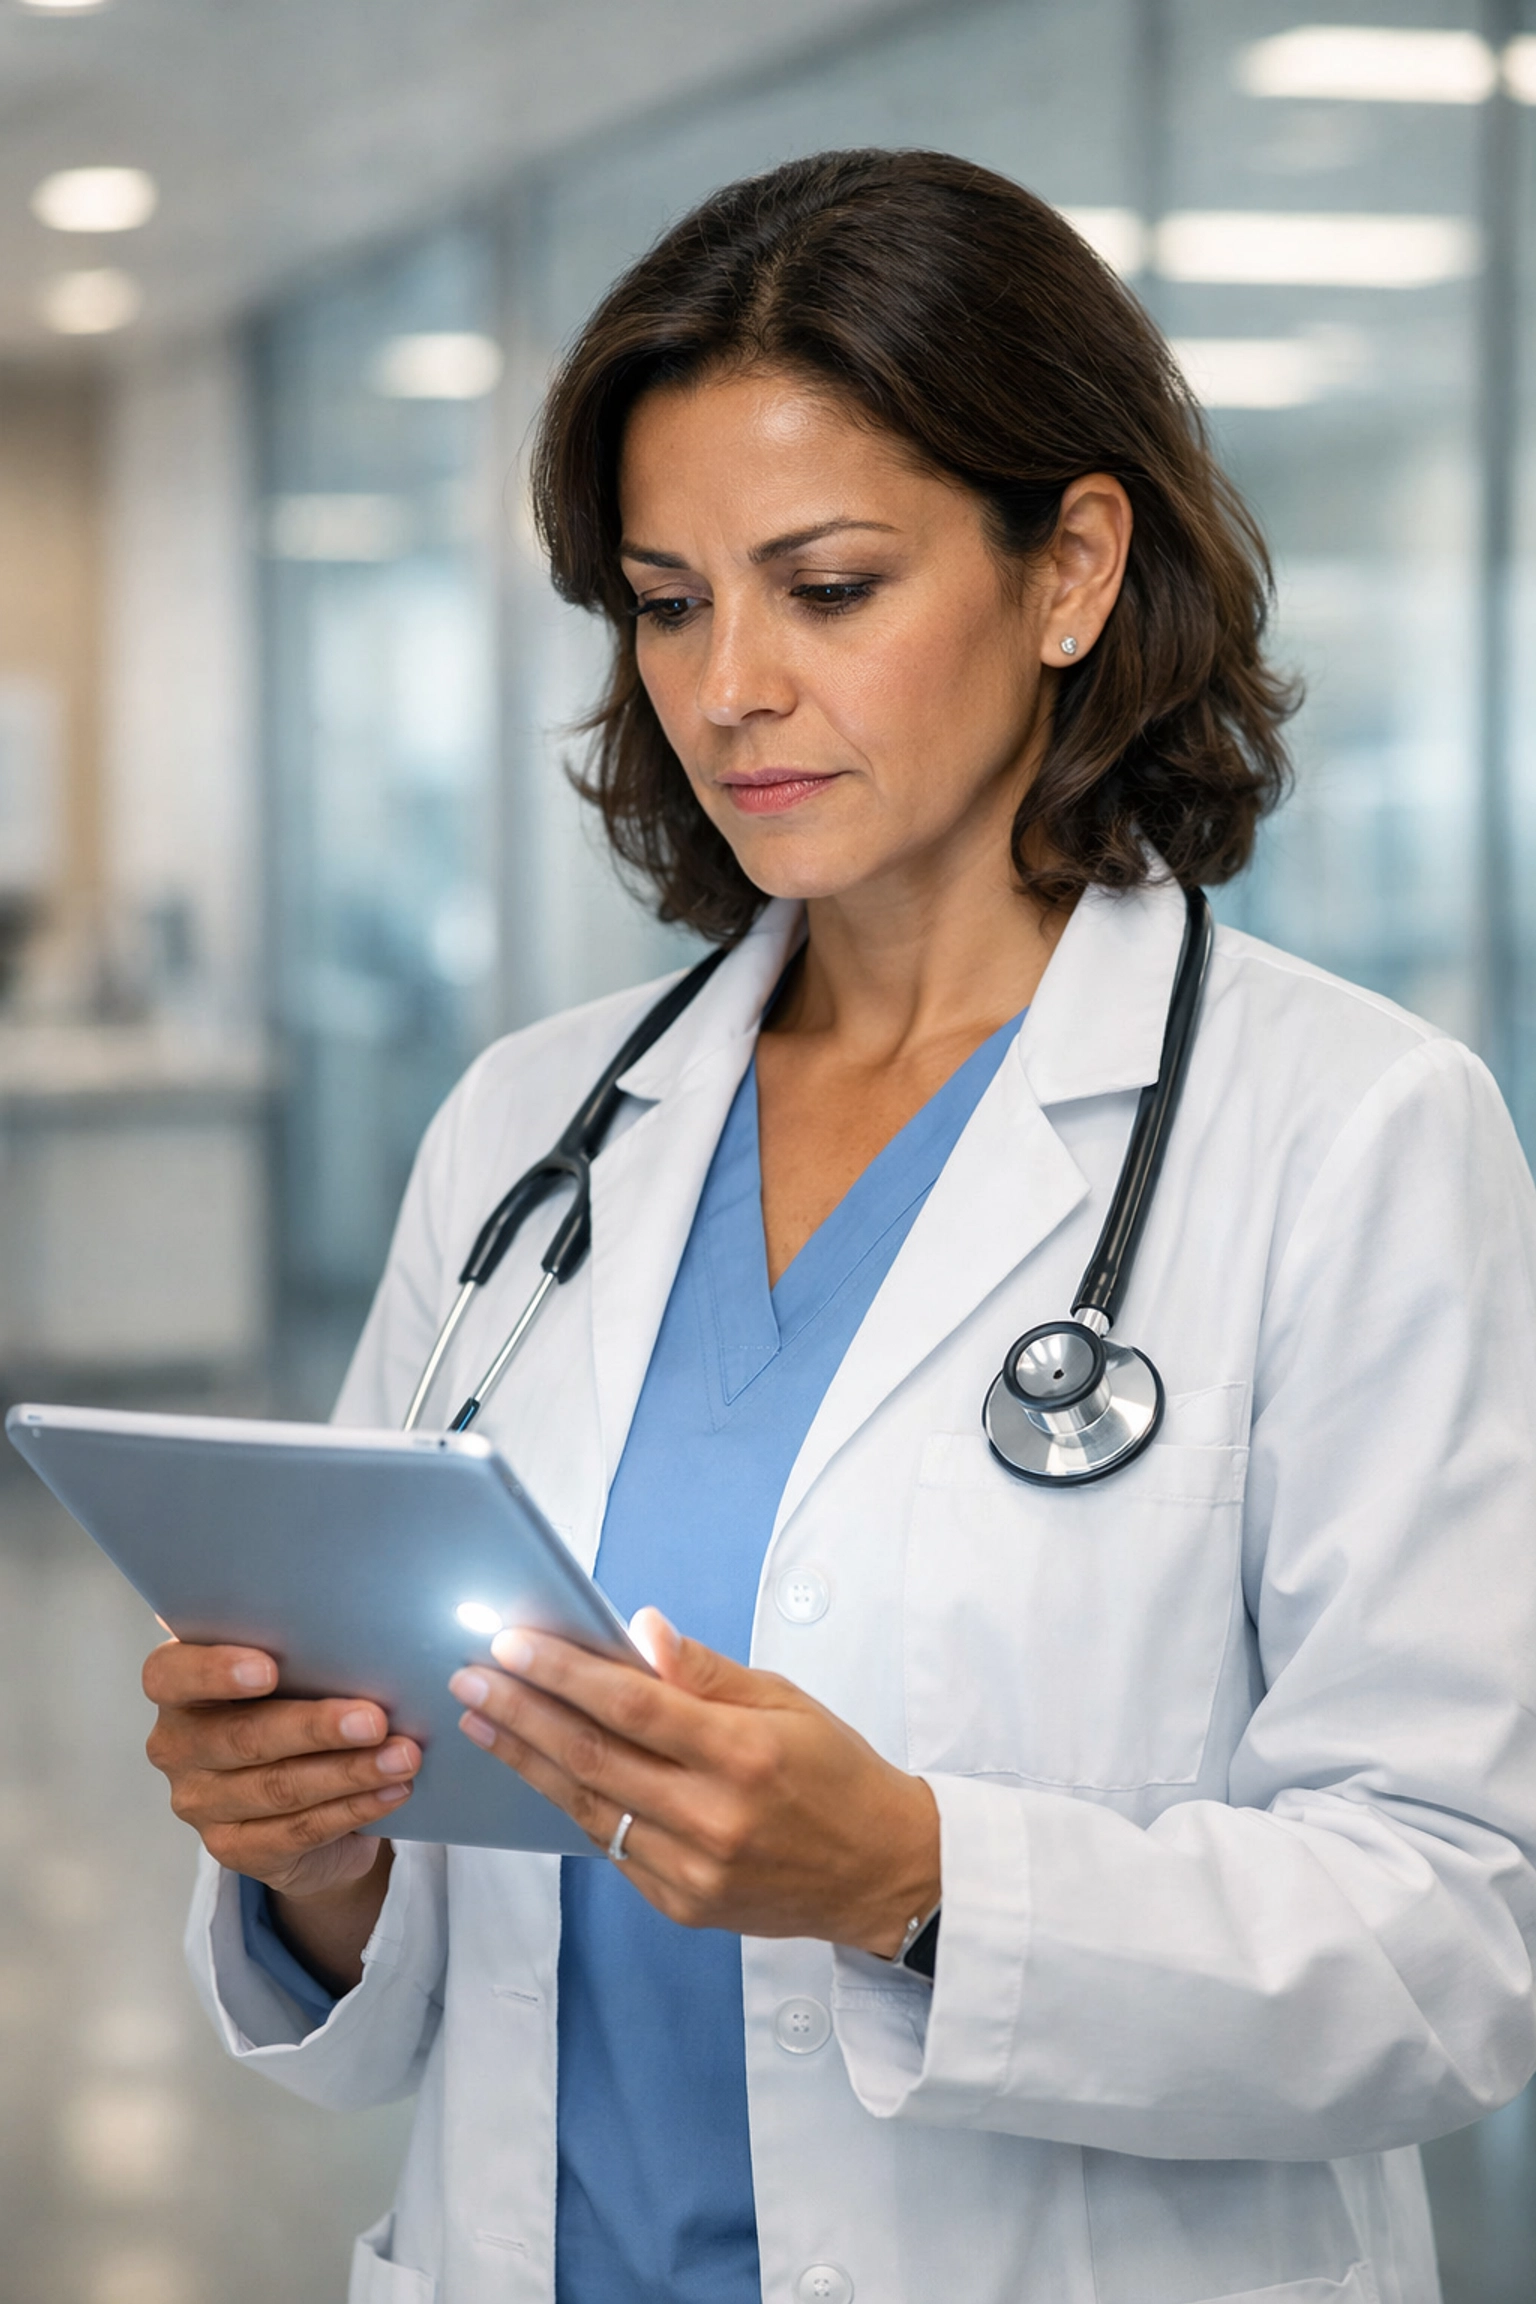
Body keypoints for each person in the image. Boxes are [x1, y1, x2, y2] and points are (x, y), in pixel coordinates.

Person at [144, 150, 1536, 2304]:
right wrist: (318, 1853)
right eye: (672, 600)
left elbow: (1463, 1937)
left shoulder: (1348, 1138)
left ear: (1072, 566)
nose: (727, 690)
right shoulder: (536, 1135)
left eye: (830, 584)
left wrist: (913, 1877)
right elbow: (419, 1984)